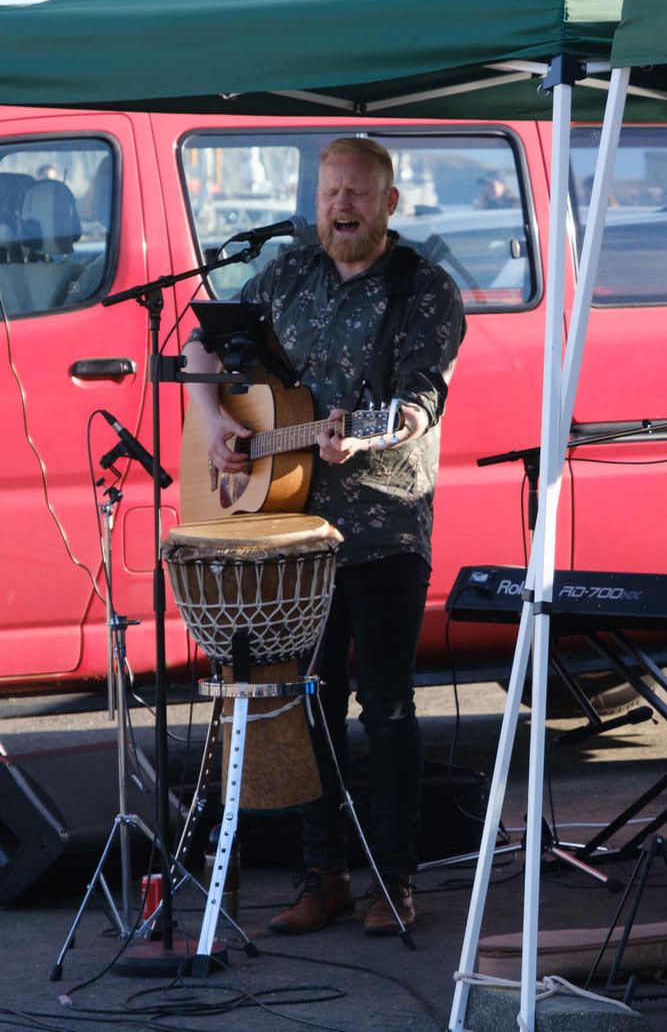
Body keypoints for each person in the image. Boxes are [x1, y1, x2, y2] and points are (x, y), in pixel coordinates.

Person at [183, 137, 465, 936]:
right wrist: (215, 426)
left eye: (358, 194)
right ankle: (324, 874)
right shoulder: (288, 270)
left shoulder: (425, 289)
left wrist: (367, 437)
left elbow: (421, 400)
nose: (342, 205)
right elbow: (204, 338)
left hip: (382, 528)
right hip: (290, 531)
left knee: (386, 706)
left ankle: (394, 879)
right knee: (310, 705)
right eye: (331, 192)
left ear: (389, 204)